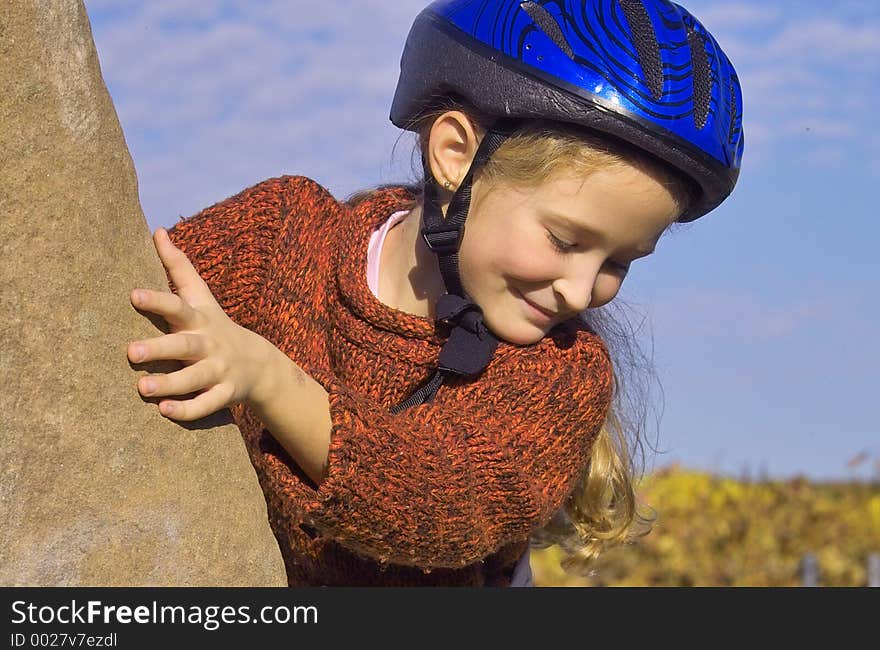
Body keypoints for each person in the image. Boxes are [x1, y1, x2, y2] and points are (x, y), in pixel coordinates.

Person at [127, 0, 743, 586]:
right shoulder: (277, 237)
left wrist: (267, 378)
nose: (582, 291)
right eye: (563, 239)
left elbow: (443, 500)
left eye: (621, 261)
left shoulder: (558, 377)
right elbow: (124, 310)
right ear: (455, 153)